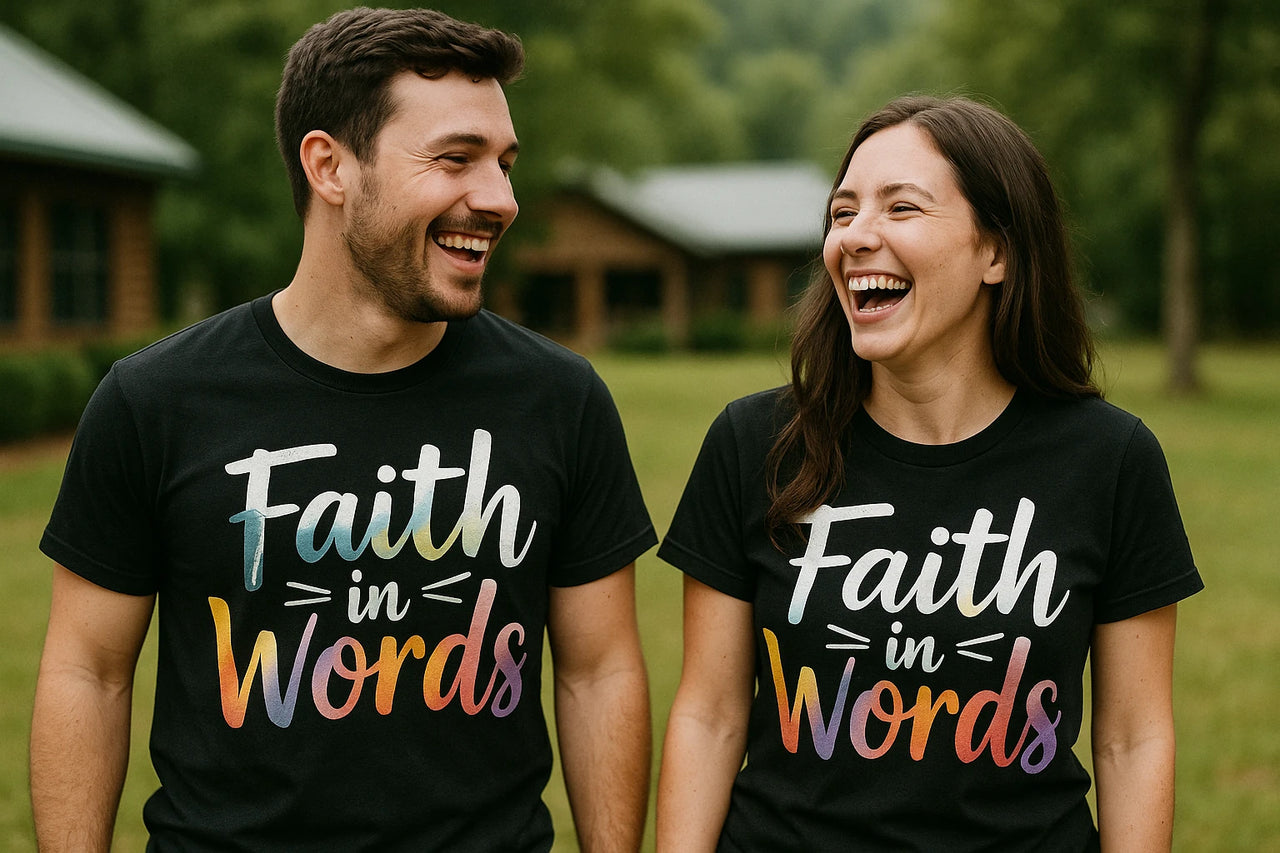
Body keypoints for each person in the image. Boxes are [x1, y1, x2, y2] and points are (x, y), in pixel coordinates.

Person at [30, 8, 655, 851]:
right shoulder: (157, 401)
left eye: (505, 164)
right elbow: (88, 673)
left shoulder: (559, 398)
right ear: (329, 165)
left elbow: (598, 671)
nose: (500, 199)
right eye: (455, 159)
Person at [655, 94, 1203, 852]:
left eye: (900, 208)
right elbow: (710, 714)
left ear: (997, 252)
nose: (856, 237)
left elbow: (1133, 737)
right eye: (843, 212)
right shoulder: (755, 443)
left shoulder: (1109, 460)